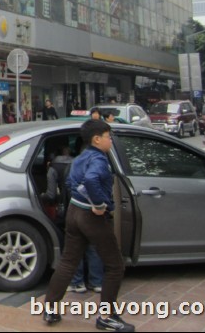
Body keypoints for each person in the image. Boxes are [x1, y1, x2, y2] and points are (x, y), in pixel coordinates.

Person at [42, 119, 134, 332]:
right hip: (91, 217)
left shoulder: (80, 158)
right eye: (108, 136)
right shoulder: (99, 160)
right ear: (97, 139)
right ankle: (107, 317)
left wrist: (82, 198)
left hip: (73, 212)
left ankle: (50, 308)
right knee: (115, 265)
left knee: (67, 263)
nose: (110, 140)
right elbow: (92, 180)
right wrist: (100, 204)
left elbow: (69, 183)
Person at [41, 144, 103, 295]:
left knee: (74, 247)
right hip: (93, 210)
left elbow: (54, 193)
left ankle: (77, 282)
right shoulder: (98, 165)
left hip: (74, 209)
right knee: (92, 246)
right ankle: (97, 282)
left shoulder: (57, 167)